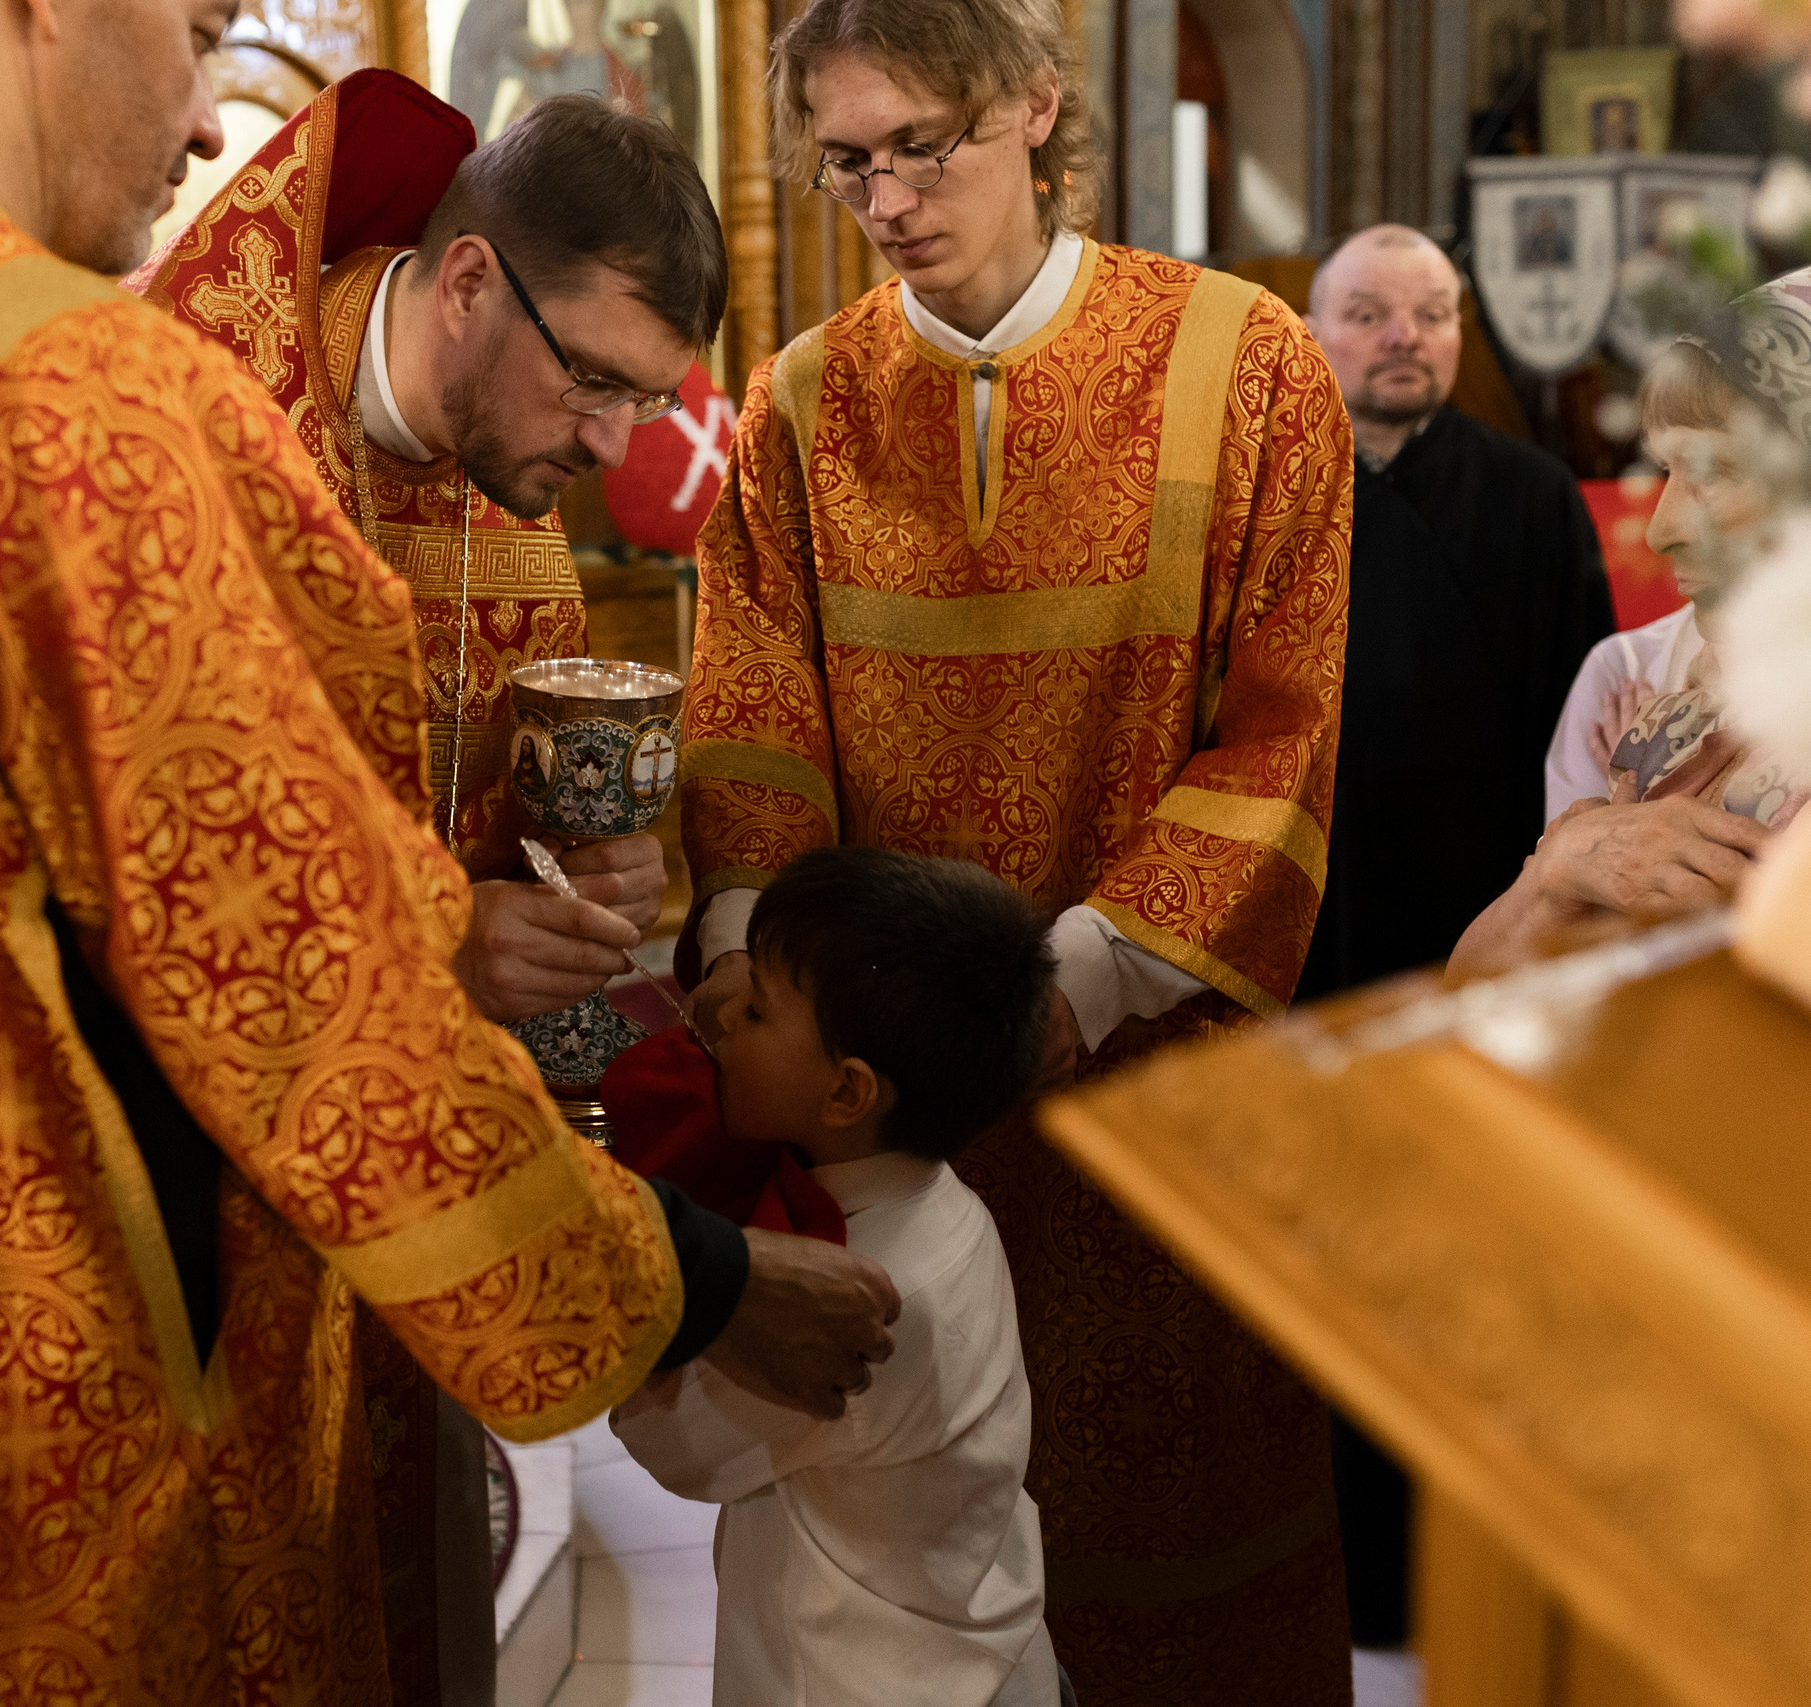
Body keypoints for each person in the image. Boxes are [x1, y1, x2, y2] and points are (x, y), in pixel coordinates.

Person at [0, 1, 903, 1702]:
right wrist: (703, 1284)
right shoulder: (77, 398)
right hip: (12, 1529)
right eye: (200, 29)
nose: (212, 115)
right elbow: (325, 1027)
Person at [677, 0, 1356, 1696]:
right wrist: (770, 989)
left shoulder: (1246, 362)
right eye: (850, 160)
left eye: (928, 144)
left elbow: (1284, 723)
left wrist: (1079, 977)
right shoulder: (803, 403)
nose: (891, 195)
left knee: (1176, 1537)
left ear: (1036, 110)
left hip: (1159, 1084)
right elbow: (753, 713)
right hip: (889, 1108)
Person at [123, 79, 724, 1695]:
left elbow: (484, 853)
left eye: (645, 404)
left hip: (401, 1209)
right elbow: (147, 874)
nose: (612, 452)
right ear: (469, 285)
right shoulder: (175, 426)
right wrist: (445, 942)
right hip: (173, 1202)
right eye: (593, 382)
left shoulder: (510, 525)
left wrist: (586, 873)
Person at [1298, 224, 1616, 1647]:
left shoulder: (1536, 499)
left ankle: (1451, 1579)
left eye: (1431, 311)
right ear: (1312, 334)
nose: (1402, 337)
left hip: (1482, 938)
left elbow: (1595, 772)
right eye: (1367, 313)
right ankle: (1322, 1572)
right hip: (1306, 939)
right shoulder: (1271, 498)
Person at [613, 846, 1068, 1707]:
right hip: (984, 1657)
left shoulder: (843, 1305)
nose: (716, 1017)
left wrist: (678, 1255)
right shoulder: (954, 1213)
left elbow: (666, 1442)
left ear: (848, 1092)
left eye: (755, 1008)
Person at [1455, 264, 1811, 979]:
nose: (1659, 530)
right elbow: (1473, 990)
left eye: (1711, 471)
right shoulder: (1680, 717)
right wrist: (1555, 877)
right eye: (1664, 471)